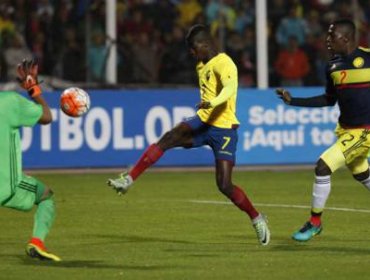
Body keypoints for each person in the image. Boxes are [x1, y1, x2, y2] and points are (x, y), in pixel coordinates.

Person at [108, 24, 270, 246]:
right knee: (169, 138)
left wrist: (212, 102)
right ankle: (129, 179)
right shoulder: (201, 65)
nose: (192, 54)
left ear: (205, 44)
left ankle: (256, 218)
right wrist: (207, 107)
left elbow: (231, 89)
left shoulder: (224, 62)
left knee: (224, 185)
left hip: (224, 129)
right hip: (203, 121)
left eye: (194, 49)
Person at [276, 19, 370, 242]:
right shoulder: (333, 67)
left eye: (332, 37)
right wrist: (293, 101)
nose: (327, 41)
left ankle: (315, 223)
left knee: (322, 166)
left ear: (345, 38)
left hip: (365, 131)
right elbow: (329, 99)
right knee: (362, 173)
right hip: (345, 130)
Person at [0, 59, 60, 261]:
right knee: (46, 196)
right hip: (7, 184)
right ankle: (37, 243)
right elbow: (47, 116)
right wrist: (33, 88)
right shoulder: (10, 102)